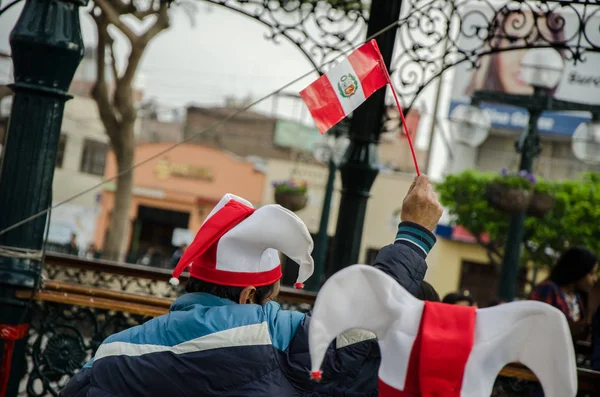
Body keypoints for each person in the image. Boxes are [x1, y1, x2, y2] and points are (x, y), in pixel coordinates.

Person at [59, 175, 443, 397]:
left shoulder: (112, 353)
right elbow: (364, 313)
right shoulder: (270, 334)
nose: (273, 306)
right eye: (270, 298)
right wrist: (413, 235)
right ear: (247, 296)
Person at [529, 246, 598, 341]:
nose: (595, 279)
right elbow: (535, 325)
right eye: (591, 274)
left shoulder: (579, 298)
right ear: (579, 271)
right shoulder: (547, 290)